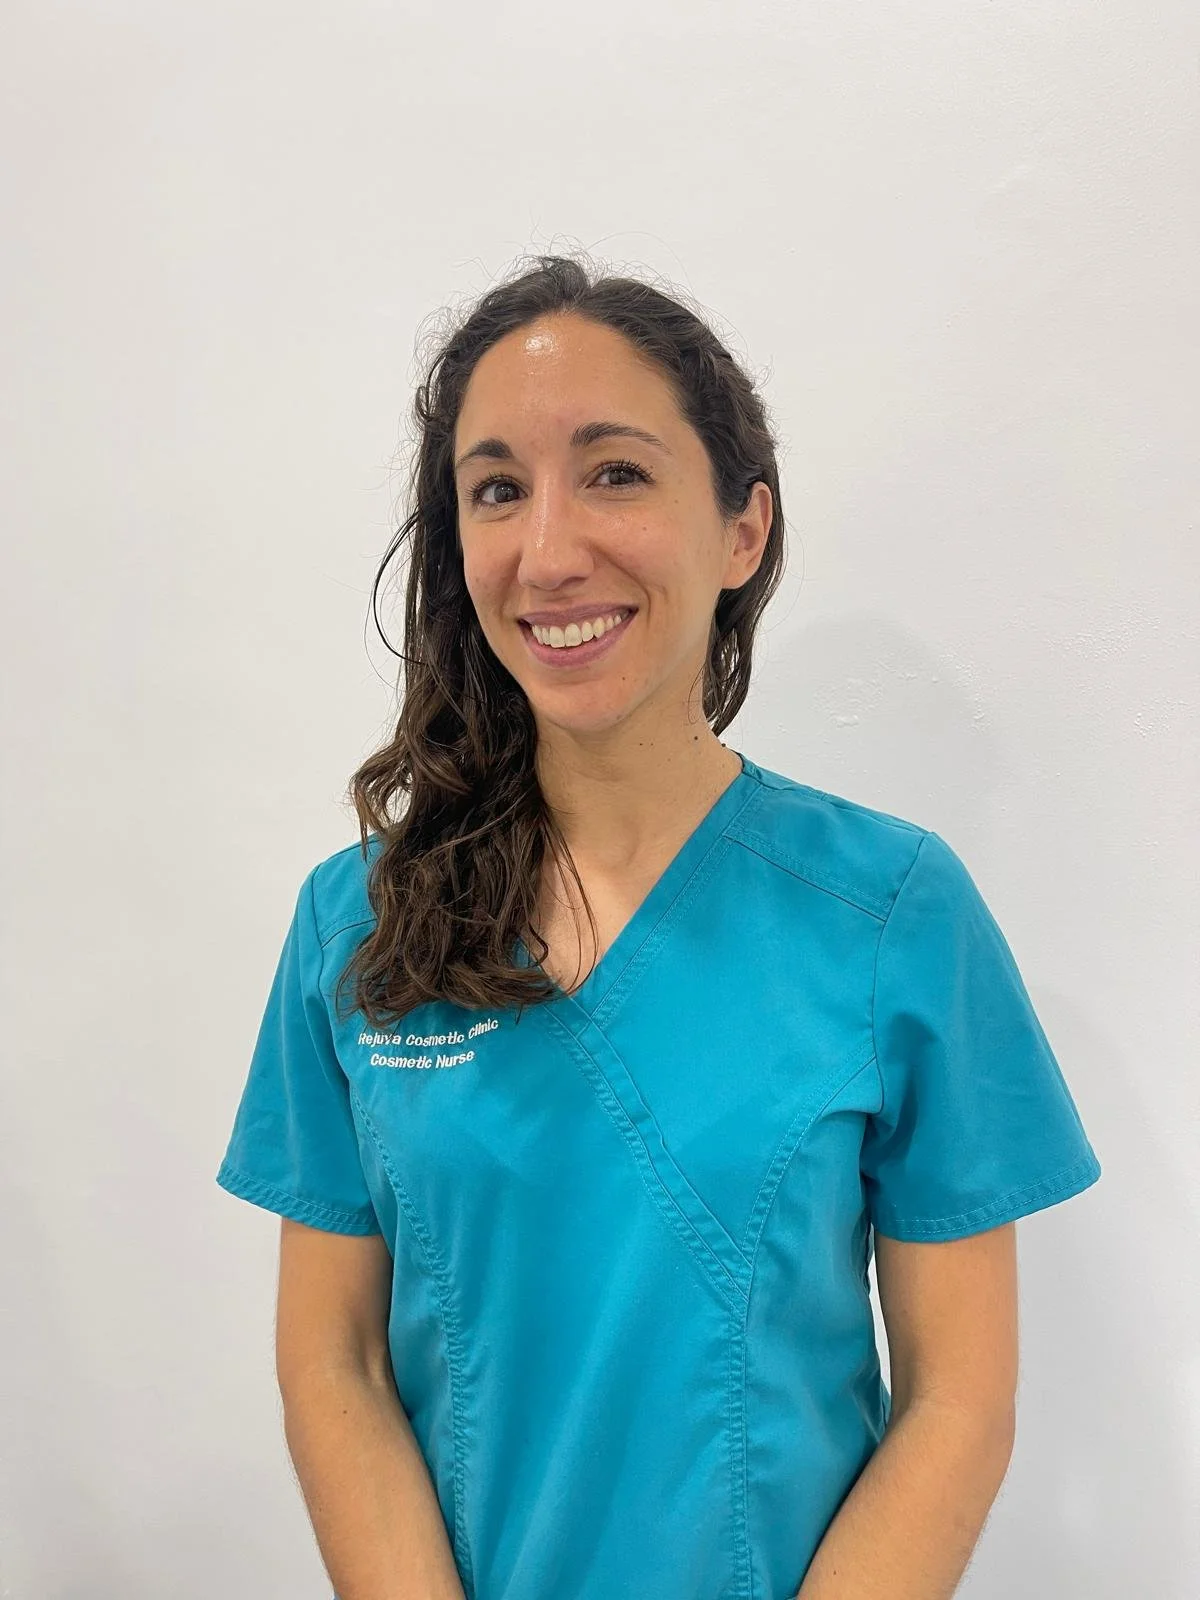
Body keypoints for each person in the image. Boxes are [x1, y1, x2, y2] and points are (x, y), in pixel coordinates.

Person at [216, 252, 1102, 1600]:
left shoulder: (892, 916)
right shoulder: (362, 924)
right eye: (498, 488)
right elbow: (328, 1363)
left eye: (615, 472)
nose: (550, 549)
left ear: (742, 528)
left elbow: (959, 1404)